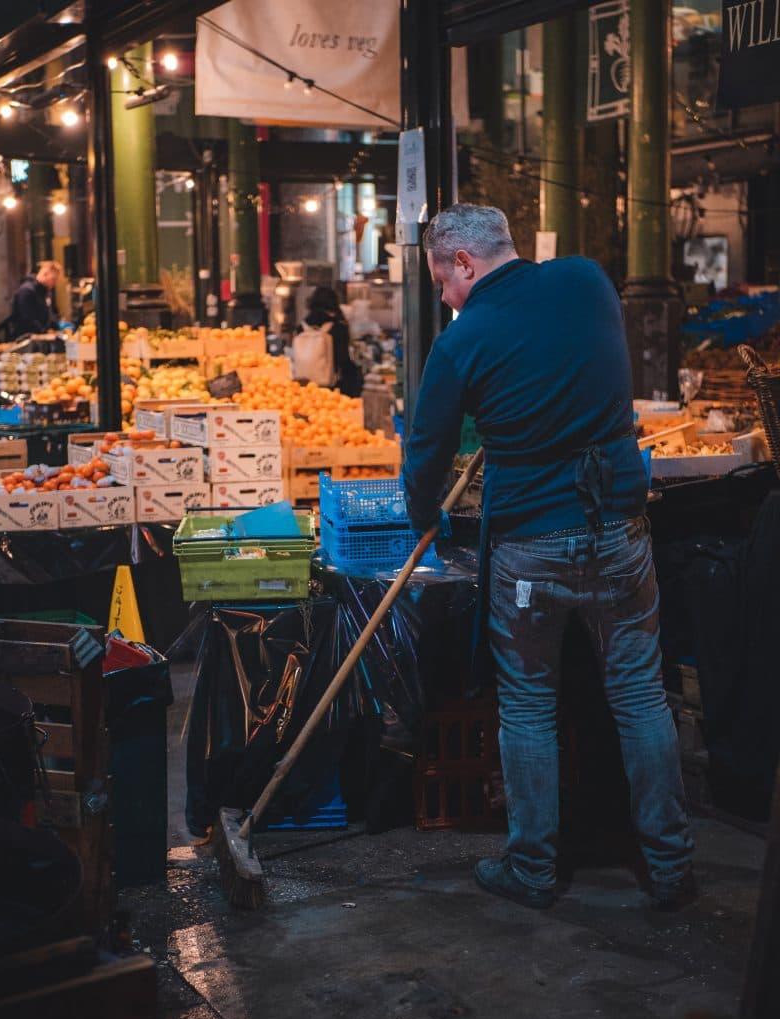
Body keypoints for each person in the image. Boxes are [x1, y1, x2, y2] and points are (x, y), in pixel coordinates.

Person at [402, 203, 695, 912]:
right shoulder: (589, 281)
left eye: (443, 280)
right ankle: (672, 865)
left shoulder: (461, 340)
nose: (444, 297)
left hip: (531, 547)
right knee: (639, 695)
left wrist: (428, 523)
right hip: (620, 531)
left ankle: (532, 869)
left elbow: (425, 452)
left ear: (465, 263)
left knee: (529, 706)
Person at [296, 285, 363, 397]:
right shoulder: (337, 327)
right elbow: (343, 359)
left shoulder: (301, 327)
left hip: (304, 385)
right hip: (330, 387)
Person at [8, 260, 62, 338]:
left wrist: (56, 326)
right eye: (53, 279)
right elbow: (27, 320)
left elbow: (48, 314)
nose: (55, 283)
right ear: (45, 274)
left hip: (40, 338)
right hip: (26, 340)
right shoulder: (26, 291)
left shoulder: (44, 292)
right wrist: (45, 332)